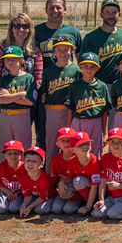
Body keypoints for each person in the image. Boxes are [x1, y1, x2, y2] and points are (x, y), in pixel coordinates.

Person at [40, 34, 81, 169]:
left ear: (72, 51)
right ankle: (50, 178)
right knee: (51, 144)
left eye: (66, 49)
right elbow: (44, 95)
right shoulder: (48, 71)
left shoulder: (76, 71)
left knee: (70, 145)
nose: (63, 53)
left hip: (70, 112)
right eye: (59, 50)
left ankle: (70, 173)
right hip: (52, 111)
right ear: (54, 51)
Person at [66, 52, 112, 158]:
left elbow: (105, 112)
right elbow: (70, 110)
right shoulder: (75, 86)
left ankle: (94, 174)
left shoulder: (102, 86)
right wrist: (69, 130)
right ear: (80, 66)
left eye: (92, 67)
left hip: (96, 122)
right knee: (76, 152)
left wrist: (104, 134)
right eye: (85, 66)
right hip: (78, 121)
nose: (89, 69)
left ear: (98, 68)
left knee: (95, 153)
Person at [0, 45, 37, 158]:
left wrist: (9, 97)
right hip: (5, 116)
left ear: (21, 60)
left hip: (22, 116)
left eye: (13, 59)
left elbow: (30, 101)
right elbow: (0, 100)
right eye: (7, 59)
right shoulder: (3, 79)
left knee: (23, 149)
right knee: (4, 150)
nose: (10, 62)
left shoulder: (29, 78)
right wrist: (20, 95)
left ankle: (23, 174)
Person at [81, 0, 122, 85]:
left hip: (121, 84)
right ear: (101, 14)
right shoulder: (91, 37)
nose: (111, 16)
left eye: (114, 12)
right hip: (98, 84)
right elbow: (83, 64)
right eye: (107, 12)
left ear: (119, 14)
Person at [0, 12, 43, 92]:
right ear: (11, 29)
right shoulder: (0, 49)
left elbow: (38, 78)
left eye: (25, 26)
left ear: (30, 29)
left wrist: (28, 94)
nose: (21, 29)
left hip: (27, 97)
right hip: (4, 96)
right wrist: (4, 93)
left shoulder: (35, 51)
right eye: (17, 26)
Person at [34, 0, 83, 69]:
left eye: (58, 8)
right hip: (43, 77)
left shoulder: (74, 32)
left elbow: (80, 59)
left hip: (67, 77)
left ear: (65, 10)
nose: (55, 11)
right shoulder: (36, 31)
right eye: (51, 8)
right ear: (46, 10)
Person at [0, 140, 27, 215]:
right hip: (5, 191)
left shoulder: (25, 167)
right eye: (9, 153)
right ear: (4, 155)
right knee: (1, 210)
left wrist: (17, 193)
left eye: (16, 153)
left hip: (20, 193)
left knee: (13, 209)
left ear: (21, 154)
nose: (13, 156)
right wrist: (8, 192)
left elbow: (27, 185)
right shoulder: (1, 167)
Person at [17, 147, 53, 217]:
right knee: (19, 207)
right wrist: (24, 205)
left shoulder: (44, 179)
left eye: (35, 161)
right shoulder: (23, 177)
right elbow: (27, 195)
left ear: (41, 164)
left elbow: (43, 197)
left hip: (48, 197)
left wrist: (31, 206)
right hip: (35, 196)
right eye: (28, 160)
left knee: (39, 209)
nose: (30, 163)